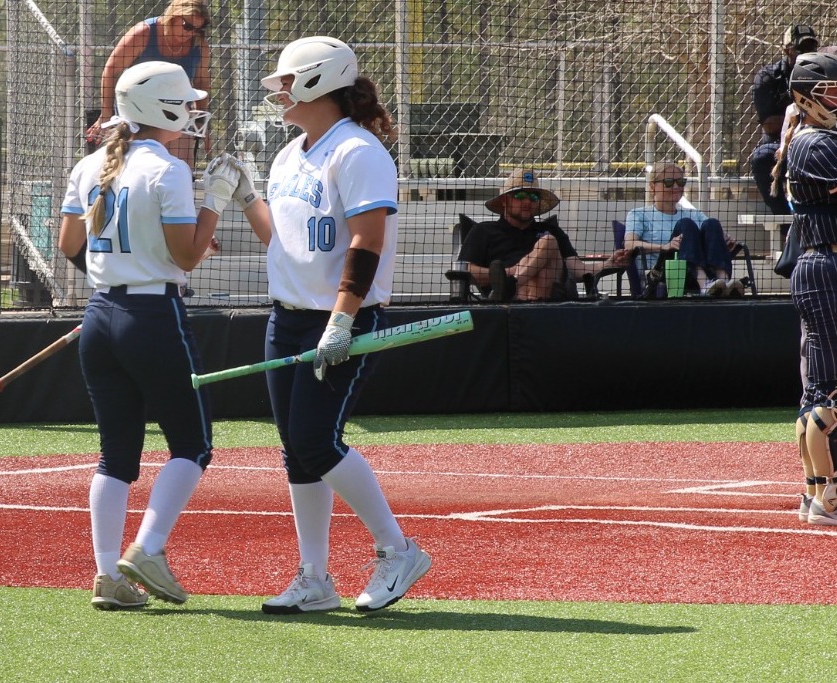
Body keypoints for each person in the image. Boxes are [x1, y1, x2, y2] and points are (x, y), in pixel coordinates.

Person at [216, 36, 431, 614]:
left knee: (316, 442)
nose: (280, 92)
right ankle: (314, 577)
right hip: (286, 317)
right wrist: (247, 198)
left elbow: (367, 240)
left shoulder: (358, 151)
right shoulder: (290, 154)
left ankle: (398, 550)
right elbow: (282, 240)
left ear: (318, 81)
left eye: (288, 82)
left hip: (340, 319)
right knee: (296, 450)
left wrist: (342, 320)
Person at [58, 61, 242, 607]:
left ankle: (106, 576)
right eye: (183, 102)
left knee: (115, 455)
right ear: (160, 107)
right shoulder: (168, 169)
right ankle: (148, 548)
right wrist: (216, 202)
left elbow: (70, 244)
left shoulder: (89, 164)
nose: (191, 110)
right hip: (153, 316)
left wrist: (114, 278)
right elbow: (186, 256)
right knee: (192, 445)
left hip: (101, 315)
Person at [777, 51, 837, 524]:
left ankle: (817, 490)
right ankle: (828, 494)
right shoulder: (813, 142)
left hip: (822, 265)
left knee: (820, 384)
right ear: (806, 99)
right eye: (831, 93)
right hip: (824, 265)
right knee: (827, 386)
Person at [460, 169, 631, 302]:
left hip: (547, 299)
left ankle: (509, 285)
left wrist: (608, 264)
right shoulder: (483, 231)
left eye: (533, 196)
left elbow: (578, 270)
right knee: (538, 267)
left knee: (548, 242)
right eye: (520, 195)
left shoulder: (551, 230)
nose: (527, 201)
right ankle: (512, 289)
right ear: (505, 201)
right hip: (511, 302)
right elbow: (465, 270)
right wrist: (509, 271)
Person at [84, 0, 212, 168]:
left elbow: (201, 81)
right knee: (129, 166)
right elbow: (111, 70)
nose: (191, 33)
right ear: (172, 16)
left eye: (198, 29)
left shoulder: (199, 45)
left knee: (179, 166)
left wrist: (200, 120)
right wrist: (106, 114)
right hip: (138, 115)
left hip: (174, 115)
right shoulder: (143, 33)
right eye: (187, 26)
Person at [623, 161, 744, 297]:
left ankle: (724, 282)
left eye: (680, 182)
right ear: (652, 187)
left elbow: (714, 233)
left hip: (707, 278)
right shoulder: (638, 214)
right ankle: (703, 282)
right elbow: (629, 244)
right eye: (668, 182)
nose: (676, 186)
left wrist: (724, 239)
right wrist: (664, 247)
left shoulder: (694, 214)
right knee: (686, 224)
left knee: (712, 223)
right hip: (666, 275)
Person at [751, 25, 820, 217]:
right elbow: (769, 125)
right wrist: (806, 114)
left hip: (818, 142)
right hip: (781, 145)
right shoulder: (768, 77)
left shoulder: (824, 74)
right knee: (762, 158)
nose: (807, 53)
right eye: (801, 48)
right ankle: (783, 219)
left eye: (811, 48)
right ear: (787, 50)